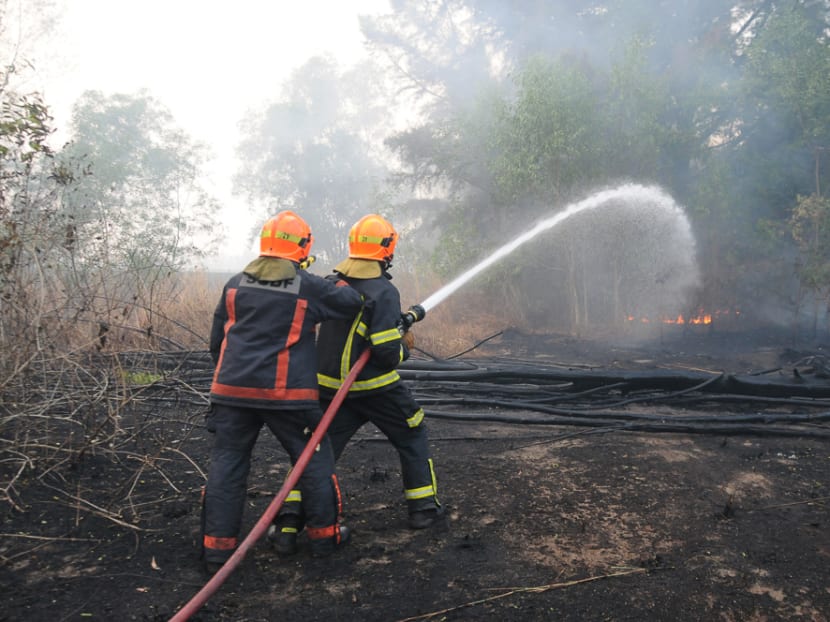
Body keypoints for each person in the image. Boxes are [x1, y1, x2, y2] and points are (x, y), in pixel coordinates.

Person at [201, 210, 364, 572]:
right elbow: (352, 302)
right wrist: (335, 279)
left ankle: (217, 550)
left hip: (230, 392)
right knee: (313, 461)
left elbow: (217, 341)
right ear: (302, 248)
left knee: (228, 464)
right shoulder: (307, 285)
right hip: (286, 397)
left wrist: (231, 379)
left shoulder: (234, 283)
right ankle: (324, 537)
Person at [271, 213, 442, 556]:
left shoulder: (333, 283)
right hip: (374, 388)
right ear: (387, 250)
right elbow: (384, 354)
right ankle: (423, 509)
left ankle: (288, 523)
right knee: (412, 432)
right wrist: (404, 347)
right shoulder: (383, 290)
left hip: (329, 390)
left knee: (316, 453)